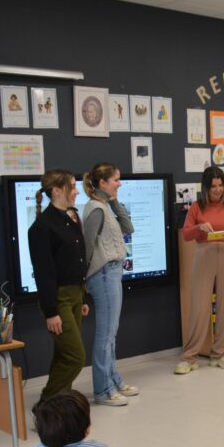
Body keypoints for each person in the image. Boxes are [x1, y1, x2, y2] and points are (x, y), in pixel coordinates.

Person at [28, 169, 90, 402]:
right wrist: (51, 312)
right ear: (56, 191)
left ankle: (59, 407)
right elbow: (44, 273)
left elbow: (77, 261)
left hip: (75, 296)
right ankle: (46, 405)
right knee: (75, 357)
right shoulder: (41, 227)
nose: (76, 191)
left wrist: (82, 298)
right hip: (59, 299)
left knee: (64, 355)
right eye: (72, 187)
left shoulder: (71, 218)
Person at [175, 166, 224, 375]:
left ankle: (220, 353)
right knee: (199, 307)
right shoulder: (197, 207)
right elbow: (186, 235)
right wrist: (199, 228)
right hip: (204, 254)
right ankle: (190, 357)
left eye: (221, 185)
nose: (217, 189)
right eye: (213, 186)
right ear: (206, 187)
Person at [82, 162, 137, 407]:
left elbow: (129, 228)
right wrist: (84, 280)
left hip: (113, 273)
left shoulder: (105, 206)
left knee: (111, 333)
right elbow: (86, 247)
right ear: (102, 183)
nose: (119, 183)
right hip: (103, 274)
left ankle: (114, 380)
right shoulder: (94, 209)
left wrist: (115, 202)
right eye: (115, 180)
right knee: (105, 335)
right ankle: (103, 391)